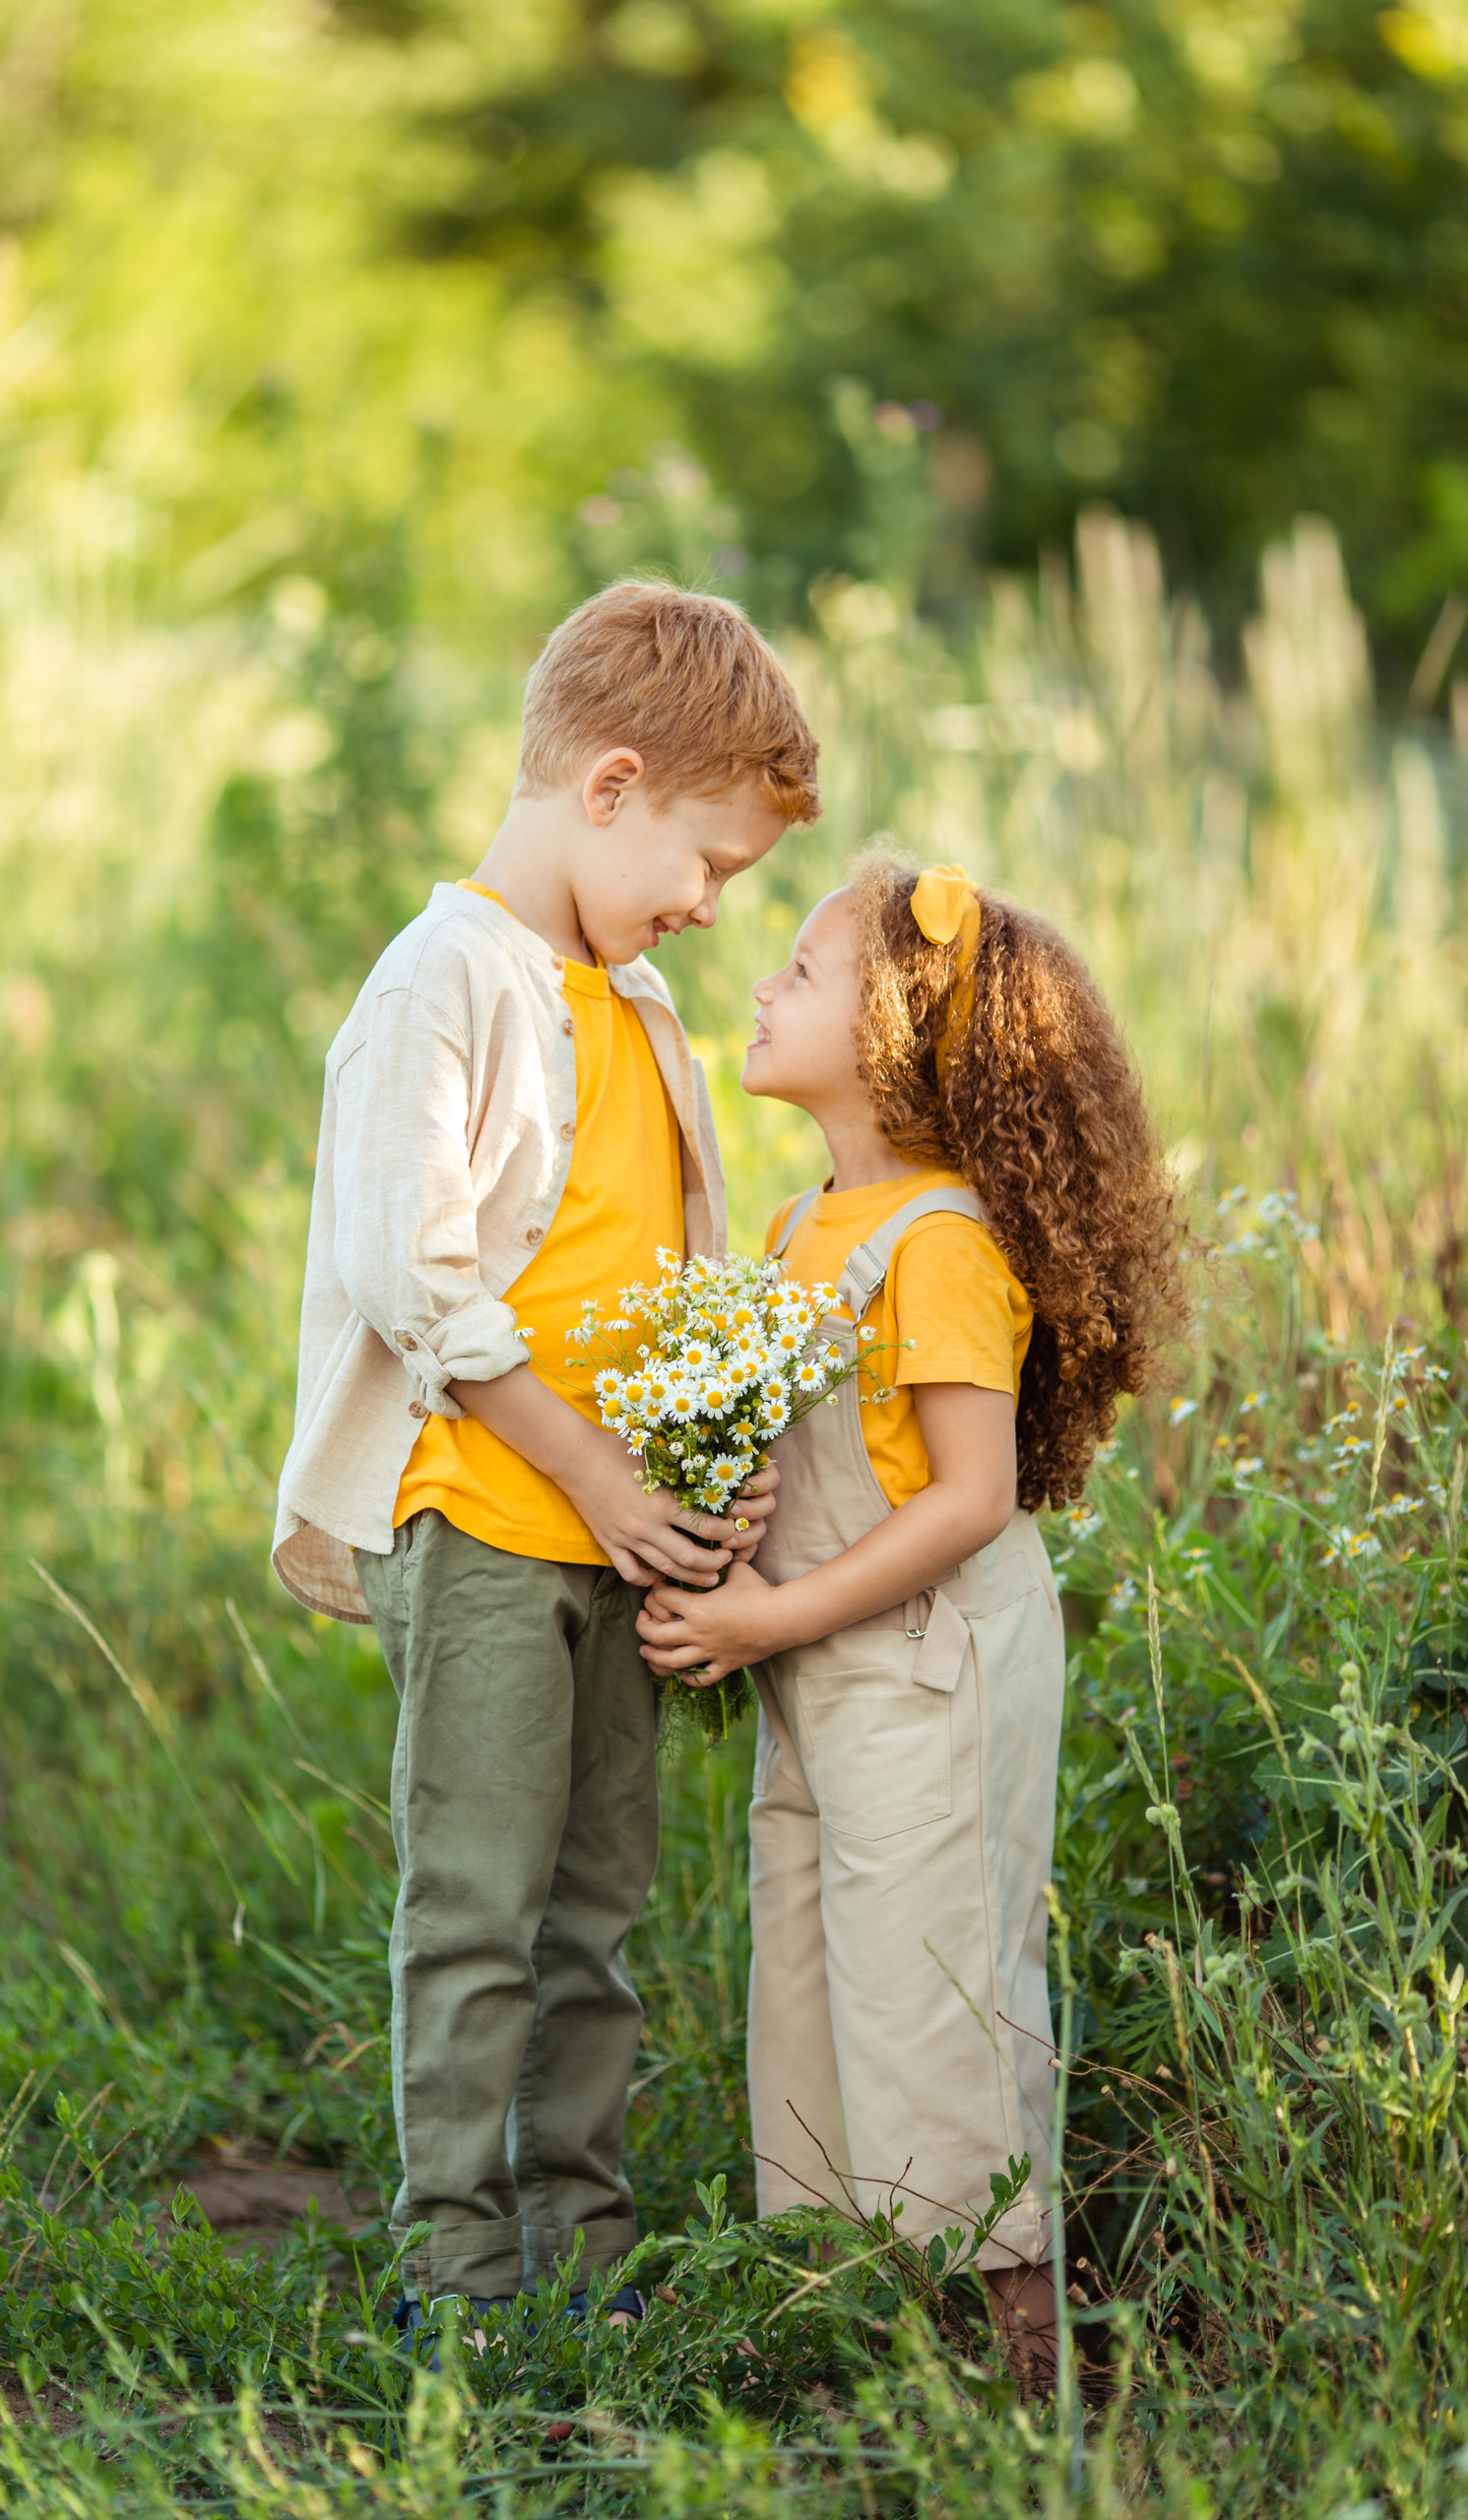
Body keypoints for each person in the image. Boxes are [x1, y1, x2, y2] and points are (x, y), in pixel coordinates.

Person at [272, 581, 820, 2339]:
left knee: (594, 1919)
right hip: (490, 1524)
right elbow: (410, 1269)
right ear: (609, 785)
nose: (709, 908)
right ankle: (455, 2271)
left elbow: (658, 1281)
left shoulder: (633, 999)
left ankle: (578, 2255)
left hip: (615, 1534)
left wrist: (702, 1467)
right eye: (706, 861)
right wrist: (592, 1476)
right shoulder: (443, 980)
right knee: (480, 1913)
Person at [635, 859, 1183, 2385]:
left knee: (936, 1988)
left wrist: (767, 1617)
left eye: (799, 973)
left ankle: (1022, 2372)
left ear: (889, 1034)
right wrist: (724, 1533)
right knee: (816, 1976)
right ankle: (852, 2343)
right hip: (824, 1664)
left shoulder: (934, 1241)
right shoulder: (813, 1219)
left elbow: (965, 1501)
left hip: (924, 1666)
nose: (760, 986)